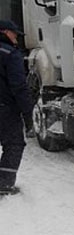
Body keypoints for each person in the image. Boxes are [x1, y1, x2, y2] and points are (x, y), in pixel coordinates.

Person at [0, 20, 33, 195]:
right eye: (14, 34)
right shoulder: (10, 54)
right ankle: (4, 184)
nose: (16, 38)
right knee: (14, 144)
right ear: (5, 32)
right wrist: (27, 112)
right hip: (5, 108)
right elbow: (19, 86)